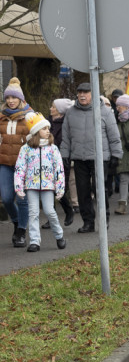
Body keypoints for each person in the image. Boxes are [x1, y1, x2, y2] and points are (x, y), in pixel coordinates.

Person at [60, 82, 122, 233]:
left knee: (99, 189)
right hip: (79, 157)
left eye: (86, 92)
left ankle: (103, 219)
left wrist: (116, 154)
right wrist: (64, 154)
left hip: (100, 158)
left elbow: (114, 135)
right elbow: (66, 136)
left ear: (93, 94)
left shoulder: (105, 111)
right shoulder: (70, 112)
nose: (82, 95)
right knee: (82, 191)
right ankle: (88, 222)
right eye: (80, 92)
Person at [14, 114, 65, 251]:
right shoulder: (26, 149)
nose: (48, 131)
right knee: (33, 213)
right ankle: (35, 241)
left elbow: (59, 168)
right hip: (31, 186)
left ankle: (59, 235)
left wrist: (60, 187)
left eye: (48, 128)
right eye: (44, 128)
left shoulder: (53, 148)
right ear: (36, 131)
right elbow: (20, 168)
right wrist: (19, 186)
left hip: (48, 186)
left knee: (50, 211)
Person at [1, 78, 32, 247]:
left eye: (14, 98)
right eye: (8, 98)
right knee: (6, 199)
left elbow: (37, 138)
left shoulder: (30, 116)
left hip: (24, 166)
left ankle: (21, 231)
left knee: (22, 199)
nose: (10, 101)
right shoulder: (1, 117)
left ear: (21, 99)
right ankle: (16, 221)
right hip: (5, 164)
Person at [48, 98, 76, 226]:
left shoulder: (66, 124)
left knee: (59, 189)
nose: (51, 109)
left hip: (61, 160)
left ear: (59, 111)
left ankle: (68, 210)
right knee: (48, 188)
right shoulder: (48, 123)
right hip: (47, 160)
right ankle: (51, 218)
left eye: (53, 107)